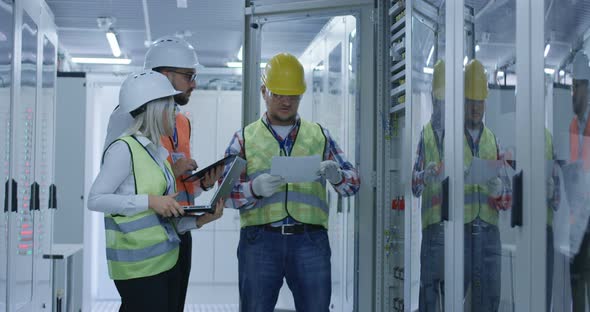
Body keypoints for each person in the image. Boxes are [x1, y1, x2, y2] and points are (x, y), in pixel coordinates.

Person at [222, 52, 360, 312]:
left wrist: (337, 176)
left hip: (310, 241)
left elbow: (352, 185)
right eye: (279, 95)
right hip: (260, 241)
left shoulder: (319, 135)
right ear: (264, 92)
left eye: (293, 96)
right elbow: (224, 196)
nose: (286, 102)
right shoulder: (244, 138)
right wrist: (253, 189)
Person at [88, 70, 223, 311]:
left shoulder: (157, 154)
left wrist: (202, 219)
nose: (175, 113)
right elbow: (95, 199)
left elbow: (163, 217)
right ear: (154, 108)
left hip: (164, 262)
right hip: (138, 271)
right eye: (170, 106)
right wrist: (149, 201)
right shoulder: (124, 149)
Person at [412, 59, 511, 311]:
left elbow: (508, 198)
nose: (476, 107)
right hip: (457, 229)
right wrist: (429, 175)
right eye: (470, 101)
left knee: (488, 298)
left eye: (480, 101)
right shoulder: (447, 137)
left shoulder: (493, 141)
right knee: (443, 297)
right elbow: (416, 184)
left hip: (487, 232)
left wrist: (500, 190)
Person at [568, 50, 590, 312]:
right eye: (572, 86)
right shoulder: (573, 126)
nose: (573, 92)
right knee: (577, 290)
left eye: (577, 86)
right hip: (577, 225)